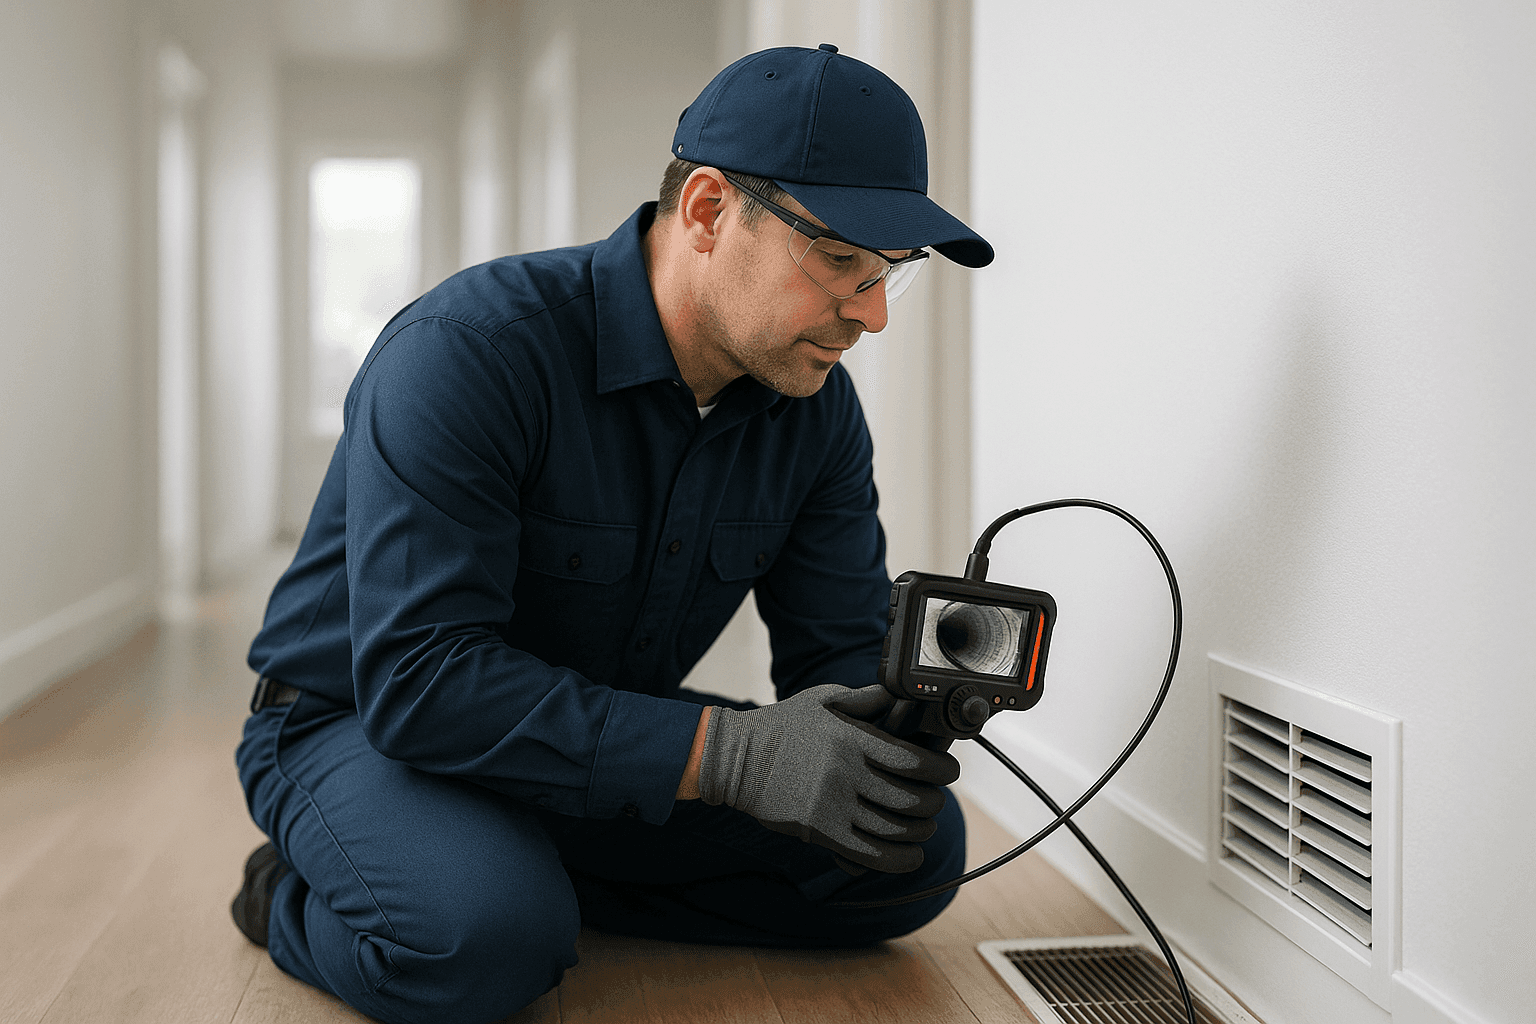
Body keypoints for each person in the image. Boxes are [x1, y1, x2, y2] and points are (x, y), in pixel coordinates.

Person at [231, 43, 995, 1024]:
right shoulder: (470, 354)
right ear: (711, 211)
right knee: (483, 944)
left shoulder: (814, 409)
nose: (874, 314)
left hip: (585, 741)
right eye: (843, 260)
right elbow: (421, 684)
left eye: (895, 271)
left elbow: (833, 662)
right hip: (359, 726)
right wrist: (736, 758)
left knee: (906, 854)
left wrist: (904, 715)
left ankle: (513, 873)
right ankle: (305, 889)